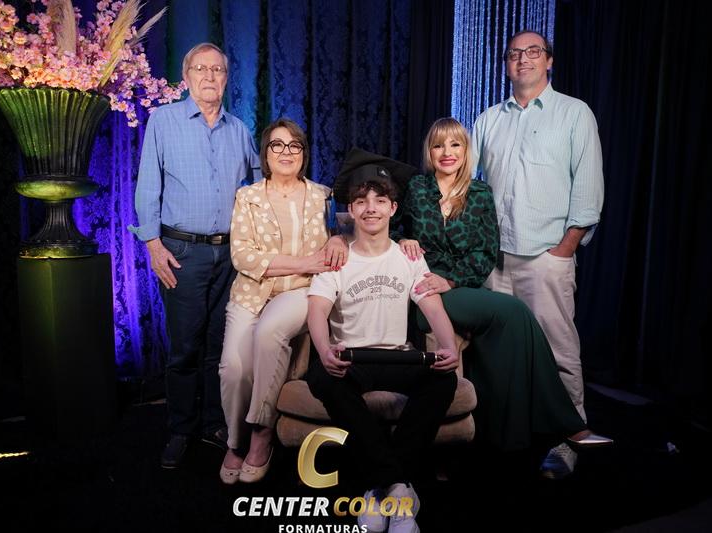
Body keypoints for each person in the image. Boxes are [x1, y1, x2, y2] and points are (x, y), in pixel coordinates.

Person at [395, 118, 610, 464]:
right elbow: (388, 228)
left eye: (455, 144)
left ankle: (510, 431)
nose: (447, 152)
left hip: (457, 286)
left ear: (466, 151)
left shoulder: (480, 193)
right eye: (438, 145)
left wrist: (451, 280)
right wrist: (403, 239)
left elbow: (485, 252)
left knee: (515, 322)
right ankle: (567, 424)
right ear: (429, 152)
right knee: (513, 311)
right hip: (421, 289)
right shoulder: (416, 188)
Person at [471, 29, 605, 478]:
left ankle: (569, 438)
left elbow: (588, 186)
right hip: (494, 259)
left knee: (557, 349)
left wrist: (566, 247)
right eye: (514, 53)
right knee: (496, 352)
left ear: (549, 61)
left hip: (546, 255)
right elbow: (464, 182)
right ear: (506, 64)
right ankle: (504, 434)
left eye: (533, 51)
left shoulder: (574, 113)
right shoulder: (488, 119)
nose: (523, 59)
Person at [306, 162, 460, 533]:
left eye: (379, 201)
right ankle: (399, 487)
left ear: (393, 208)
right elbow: (317, 311)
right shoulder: (337, 258)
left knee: (444, 379)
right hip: (351, 357)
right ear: (351, 210)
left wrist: (449, 347)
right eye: (361, 201)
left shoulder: (409, 256)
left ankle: (381, 485)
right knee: (324, 379)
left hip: (397, 356)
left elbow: (433, 307)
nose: (370, 208)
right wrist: (325, 350)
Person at [129, 43, 261, 469]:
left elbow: (260, 186)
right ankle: (181, 429)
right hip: (181, 252)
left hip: (231, 255)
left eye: (217, 69)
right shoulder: (163, 121)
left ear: (226, 78)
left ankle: (213, 423)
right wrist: (153, 245)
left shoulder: (239, 130)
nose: (209, 76)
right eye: (200, 69)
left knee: (220, 347)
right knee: (185, 346)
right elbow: (148, 185)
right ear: (186, 77)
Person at [218, 118, 348, 484]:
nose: (286, 152)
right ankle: (235, 440)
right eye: (277, 145)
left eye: (294, 145)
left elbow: (349, 232)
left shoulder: (324, 195)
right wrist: (306, 261)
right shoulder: (248, 197)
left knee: (270, 332)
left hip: (301, 291)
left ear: (304, 153)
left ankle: (261, 433)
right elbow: (243, 257)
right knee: (233, 368)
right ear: (266, 153)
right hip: (251, 293)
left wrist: (339, 238)